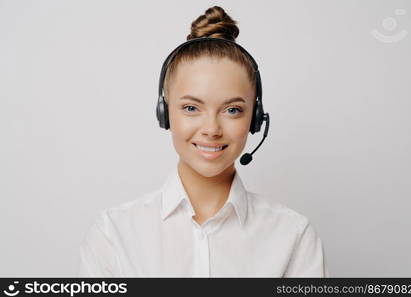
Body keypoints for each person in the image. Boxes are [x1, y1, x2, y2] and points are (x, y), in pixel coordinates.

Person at [78, 5, 329, 277]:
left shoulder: (294, 236)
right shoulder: (114, 234)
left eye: (232, 110)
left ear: (255, 119)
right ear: (165, 113)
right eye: (191, 108)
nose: (211, 129)